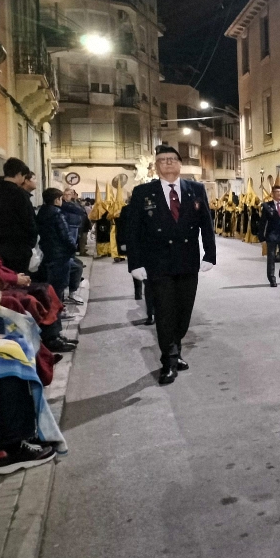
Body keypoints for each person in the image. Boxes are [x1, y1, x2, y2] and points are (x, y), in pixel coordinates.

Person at [125, 145, 216, 385]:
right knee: (165, 312)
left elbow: (206, 224)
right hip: (158, 263)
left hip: (187, 261)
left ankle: (175, 348)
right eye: (162, 160)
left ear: (179, 164)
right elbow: (132, 231)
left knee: (184, 312)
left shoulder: (195, 189)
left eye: (172, 159)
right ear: (156, 166)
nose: (167, 163)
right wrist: (135, 263)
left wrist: (210, 255)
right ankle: (169, 360)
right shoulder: (143, 192)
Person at [0, 158, 38, 274]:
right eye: (23, 176)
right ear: (18, 174)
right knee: (18, 282)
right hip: (17, 249)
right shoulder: (20, 194)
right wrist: (30, 245)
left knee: (0, 281)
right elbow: (29, 221)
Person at [35, 189, 78, 310]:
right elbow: (65, 235)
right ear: (56, 200)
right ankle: (58, 310)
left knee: (50, 284)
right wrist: (73, 247)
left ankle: (51, 309)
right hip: (59, 254)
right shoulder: (57, 214)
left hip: (47, 251)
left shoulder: (42, 212)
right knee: (59, 284)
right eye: (61, 198)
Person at [117, 201, 154, 325]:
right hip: (136, 248)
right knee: (139, 274)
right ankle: (139, 294)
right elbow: (121, 227)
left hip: (154, 249)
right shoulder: (128, 209)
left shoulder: (157, 207)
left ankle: (152, 313)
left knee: (151, 283)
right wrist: (122, 243)